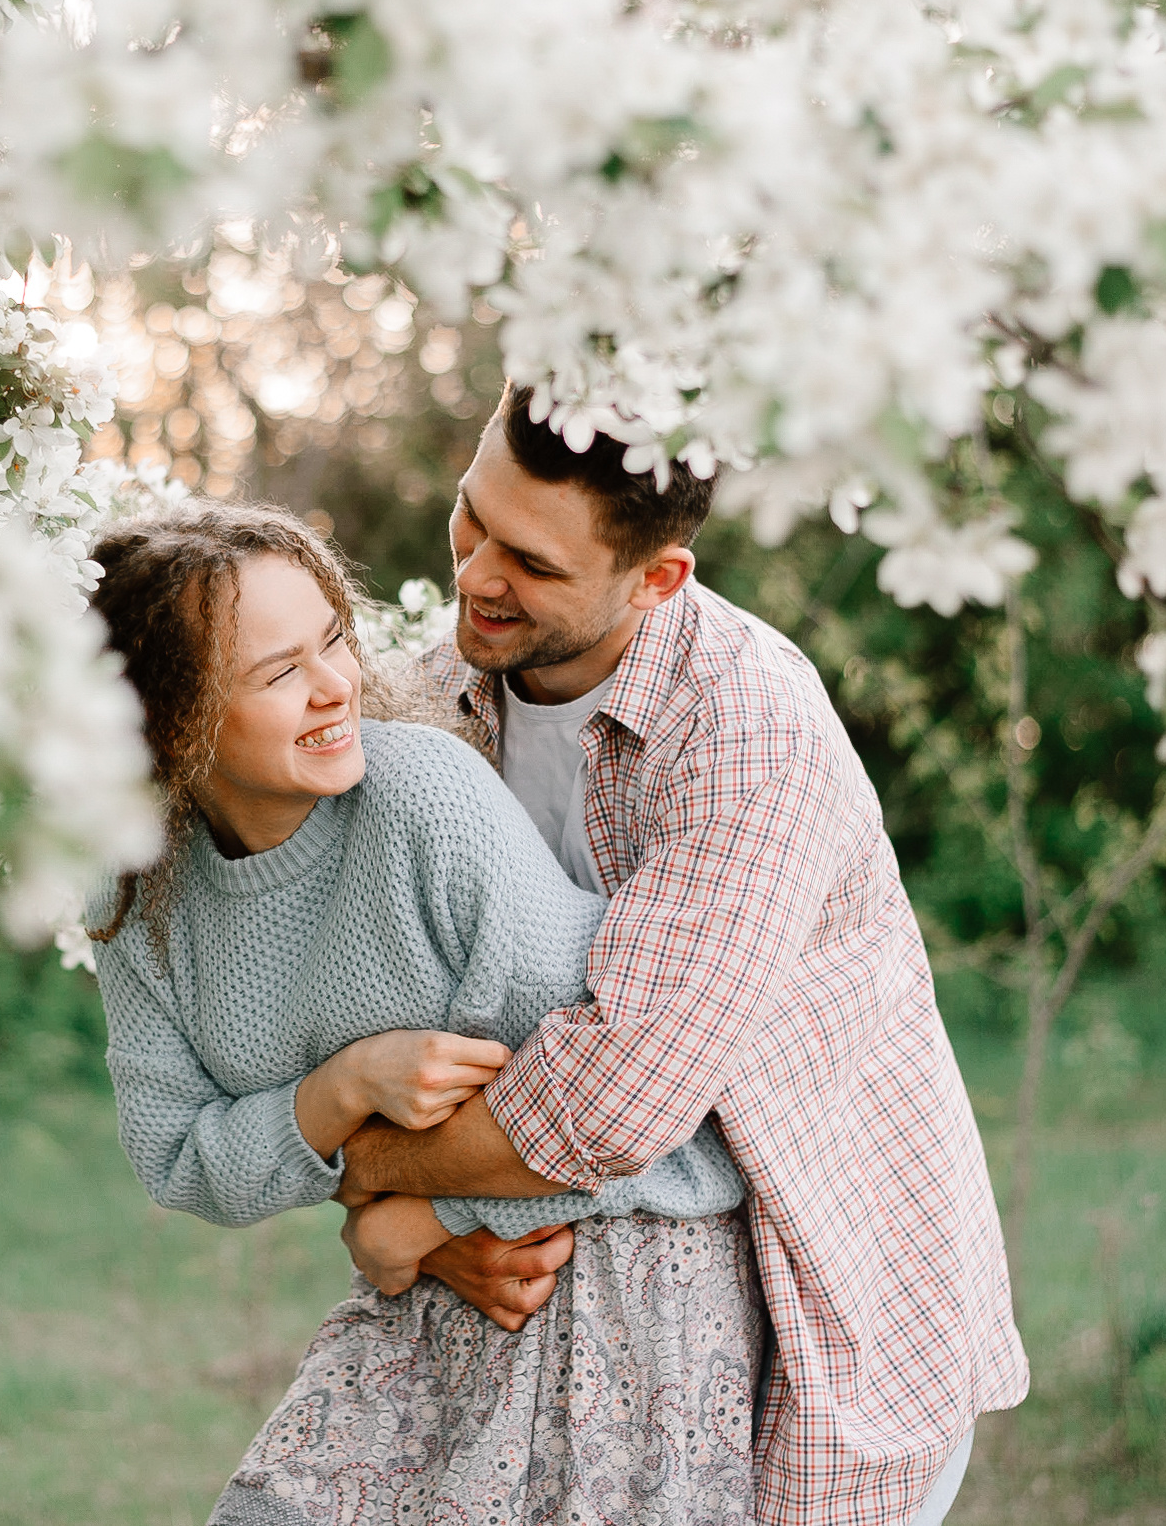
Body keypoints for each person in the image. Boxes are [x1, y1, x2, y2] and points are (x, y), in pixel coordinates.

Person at [331, 383, 1030, 1525]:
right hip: (576, 1331)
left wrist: (374, 1178)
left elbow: (614, 1098)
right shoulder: (434, 695)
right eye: (473, 516)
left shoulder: (748, 727)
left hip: (808, 1323)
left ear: (657, 580)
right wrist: (438, 1233)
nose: (476, 576)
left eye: (533, 564)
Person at [86, 503, 767, 1526]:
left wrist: (412, 1220)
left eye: (333, 641)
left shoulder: (421, 800)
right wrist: (342, 1090)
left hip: (626, 1275)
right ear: (169, 720)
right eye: (279, 673)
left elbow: (643, 1119)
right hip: (436, 1291)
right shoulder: (136, 894)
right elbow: (179, 1156)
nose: (337, 687)